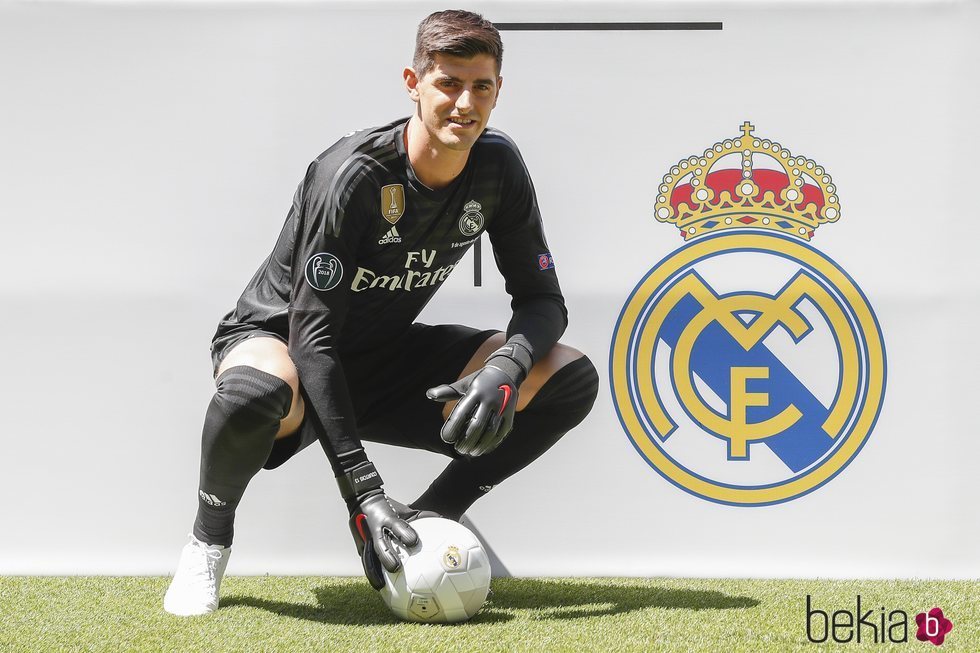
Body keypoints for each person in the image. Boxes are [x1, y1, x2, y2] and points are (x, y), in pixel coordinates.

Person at [164, 9, 599, 616]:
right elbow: (311, 335)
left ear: (499, 91)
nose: (464, 103)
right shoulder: (354, 174)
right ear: (412, 82)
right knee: (251, 394)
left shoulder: (497, 166)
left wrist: (507, 367)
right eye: (448, 83)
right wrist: (362, 492)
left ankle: (432, 521)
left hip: (379, 355)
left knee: (567, 376)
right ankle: (206, 545)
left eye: (481, 86)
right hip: (286, 343)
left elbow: (542, 301)